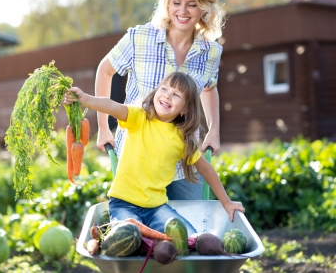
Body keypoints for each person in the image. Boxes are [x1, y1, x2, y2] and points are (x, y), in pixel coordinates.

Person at [64, 72, 245, 234]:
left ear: (185, 109)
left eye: (176, 95)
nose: (167, 95)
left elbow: (206, 170)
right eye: (164, 89)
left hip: (156, 208)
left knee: (188, 237)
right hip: (123, 204)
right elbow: (111, 105)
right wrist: (85, 99)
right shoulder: (139, 117)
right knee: (126, 235)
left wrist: (227, 202)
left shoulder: (182, 139)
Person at [94, 0, 225, 200]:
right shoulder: (139, 37)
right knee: (143, 227)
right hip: (139, 158)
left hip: (184, 158)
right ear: (167, 4)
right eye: (176, 2)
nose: (183, 10)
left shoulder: (211, 52)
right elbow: (105, 70)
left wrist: (214, 130)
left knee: (190, 226)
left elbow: (210, 88)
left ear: (204, 9)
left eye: (192, 4)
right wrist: (103, 127)